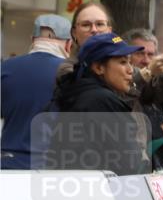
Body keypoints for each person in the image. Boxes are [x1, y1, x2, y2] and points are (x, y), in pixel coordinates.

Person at [47, 32, 150, 174]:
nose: (130, 70)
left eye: (129, 62)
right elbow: (130, 163)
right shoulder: (102, 100)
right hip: (97, 191)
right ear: (99, 68)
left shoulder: (78, 94)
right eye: (122, 62)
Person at [1, 14, 72, 169]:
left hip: (8, 165)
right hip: (54, 167)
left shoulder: (5, 69)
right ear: (68, 44)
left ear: (32, 39)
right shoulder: (73, 74)